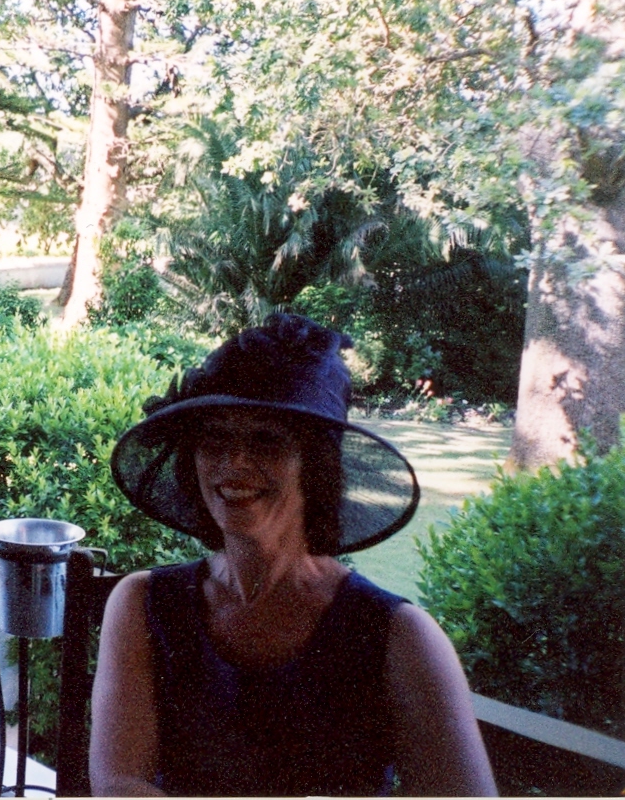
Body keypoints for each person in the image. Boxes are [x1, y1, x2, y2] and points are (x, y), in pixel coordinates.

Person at [91, 313, 497, 796]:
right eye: (215, 438)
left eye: (266, 439)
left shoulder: (399, 637)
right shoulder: (143, 604)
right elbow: (119, 782)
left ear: (316, 465)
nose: (235, 463)